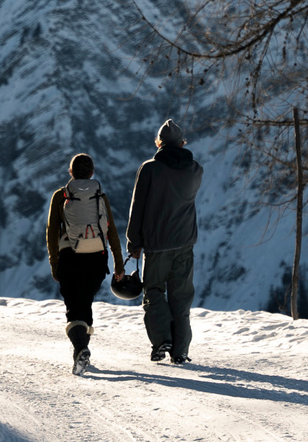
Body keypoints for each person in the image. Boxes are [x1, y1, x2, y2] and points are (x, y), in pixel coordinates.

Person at [125, 119, 203, 364]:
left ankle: (161, 340)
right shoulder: (195, 170)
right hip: (185, 242)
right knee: (181, 297)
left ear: (158, 143)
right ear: (182, 143)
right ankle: (181, 350)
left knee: (154, 292)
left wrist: (134, 243)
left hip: (157, 244)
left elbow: (138, 207)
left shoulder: (149, 169)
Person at [46, 153, 125, 375]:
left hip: (69, 257)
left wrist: (54, 264)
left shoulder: (60, 195)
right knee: (85, 302)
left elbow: (52, 233)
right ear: (92, 173)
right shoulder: (99, 195)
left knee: (74, 306)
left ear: (70, 172)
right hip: (97, 257)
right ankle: (82, 352)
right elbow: (110, 231)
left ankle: (81, 348)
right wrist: (119, 264)